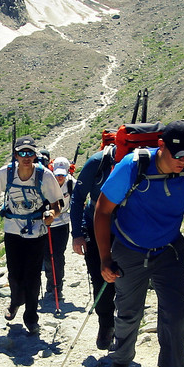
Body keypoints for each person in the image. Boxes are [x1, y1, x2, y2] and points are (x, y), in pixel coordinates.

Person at [93, 120, 184, 367]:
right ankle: (121, 360)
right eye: (178, 155)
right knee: (129, 310)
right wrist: (105, 259)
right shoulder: (133, 166)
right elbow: (103, 211)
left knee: (177, 314)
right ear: (161, 146)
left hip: (168, 250)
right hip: (129, 249)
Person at [0, 135, 64, 335]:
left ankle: (31, 317)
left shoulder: (45, 175)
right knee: (14, 273)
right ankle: (16, 301)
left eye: (30, 153)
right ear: (16, 155)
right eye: (22, 153)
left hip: (37, 232)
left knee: (32, 276)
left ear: (35, 155)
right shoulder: (6, 172)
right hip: (12, 230)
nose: (26, 157)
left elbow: (57, 204)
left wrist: (52, 215)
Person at [70, 141, 118, 350]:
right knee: (100, 279)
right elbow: (78, 197)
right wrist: (78, 234)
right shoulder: (97, 163)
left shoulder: (144, 161)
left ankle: (122, 328)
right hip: (94, 228)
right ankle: (106, 324)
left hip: (129, 231)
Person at [43, 157, 75, 312]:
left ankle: (57, 286)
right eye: (57, 174)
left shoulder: (71, 183)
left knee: (58, 255)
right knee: (46, 256)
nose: (60, 177)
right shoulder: (46, 181)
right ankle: (51, 282)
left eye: (62, 174)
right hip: (46, 224)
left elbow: (78, 201)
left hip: (62, 224)